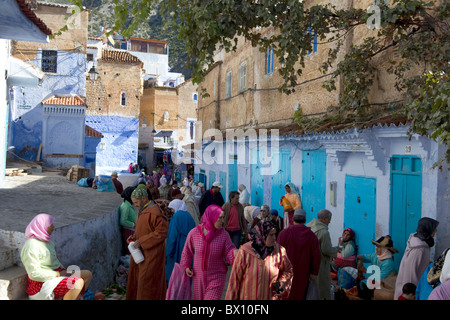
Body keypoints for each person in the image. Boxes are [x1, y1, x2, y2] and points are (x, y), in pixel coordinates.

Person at [20, 214, 92, 300]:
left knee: (86, 274)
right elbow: (34, 273)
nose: (53, 227)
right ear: (43, 226)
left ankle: (72, 297)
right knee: (77, 282)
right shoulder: (31, 245)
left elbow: (55, 262)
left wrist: (63, 271)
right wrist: (57, 274)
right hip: (41, 284)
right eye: (50, 224)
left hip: (56, 277)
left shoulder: (47, 243)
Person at [180, 204, 236, 300]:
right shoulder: (194, 233)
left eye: (223, 218)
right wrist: (186, 266)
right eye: (220, 218)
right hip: (198, 276)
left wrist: (236, 253)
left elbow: (229, 250)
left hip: (217, 276)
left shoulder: (223, 234)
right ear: (212, 217)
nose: (223, 221)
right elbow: (187, 251)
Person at [225, 220, 293, 300]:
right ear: (262, 235)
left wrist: (283, 282)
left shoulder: (279, 251)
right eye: (271, 235)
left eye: (275, 234)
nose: (274, 238)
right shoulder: (245, 252)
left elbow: (288, 270)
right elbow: (235, 280)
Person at [126, 187, 169, 300]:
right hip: (141, 254)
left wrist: (142, 241)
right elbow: (144, 230)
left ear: (144, 198)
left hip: (152, 255)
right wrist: (134, 238)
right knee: (139, 282)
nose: (135, 205)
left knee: (147, 285)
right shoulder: (144, 210)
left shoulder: (155, 212)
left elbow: (162, 232)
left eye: (136, 202)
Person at [277, 208, 321, 300]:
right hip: (303, 272)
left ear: (293, 219)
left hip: (285, 271)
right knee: (300, 294)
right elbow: (316, 256)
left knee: (285, 294)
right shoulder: (312, 236)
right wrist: (314, 273)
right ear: (305, 220)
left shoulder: (284, 234)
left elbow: (277, 254)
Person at [394, 217, 439, 300]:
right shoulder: (418, 249)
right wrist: (411, 292)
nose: (435, 231)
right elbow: (410, 272)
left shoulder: (423, 243)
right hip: (411, 289)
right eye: (434, 229)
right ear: (427, 229)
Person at [306, 209, 339, 300]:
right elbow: (326, 250)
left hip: (308, 260)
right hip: (320, 262)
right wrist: (336, 250)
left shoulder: (308, 226)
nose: (330, 221)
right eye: (329, 219)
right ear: (324, 219)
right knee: (321, 285)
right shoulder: (324, 232)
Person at [357, 235, 398, 300]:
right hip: (374, 279)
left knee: (366, 286)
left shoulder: (388, 263)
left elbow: (379, 277)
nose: (376, 248)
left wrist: (365, 271)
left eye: (378, 247)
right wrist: (360, 257)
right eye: (376, 246)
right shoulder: (376, 255)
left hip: (384, 282)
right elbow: (369, 257)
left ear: (385, 250)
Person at [165, 199, 196, 285]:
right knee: (185, 270)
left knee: (174, 273)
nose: (172, 211)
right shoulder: (189, 216)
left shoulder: (176, 216)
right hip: (188, 246)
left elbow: (172, 235)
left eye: (172, 208)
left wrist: (169, 251)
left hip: (177, 248)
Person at [119, 186, 137, 254]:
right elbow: (123, 221)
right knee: (132, 252)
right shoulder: (126, 206)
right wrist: (133, 224)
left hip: (131, 231)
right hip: (129, 232)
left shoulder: (128, 205)